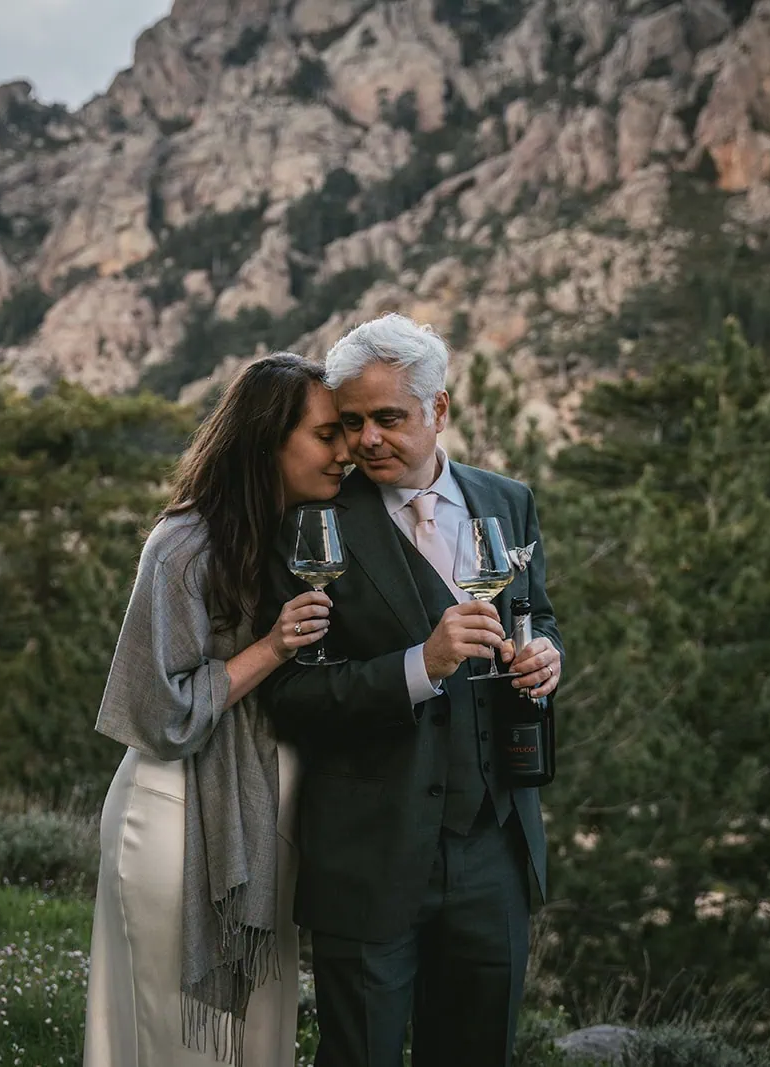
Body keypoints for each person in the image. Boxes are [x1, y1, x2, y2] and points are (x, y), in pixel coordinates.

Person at [256, 313, 563, 1067]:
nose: (366, 440)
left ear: (439, 410)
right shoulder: (314, 526)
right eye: (352, 421)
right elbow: (291, 692)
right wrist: (419, 664)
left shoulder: (507, 501)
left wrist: (548, 654)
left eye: (388, 418)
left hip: (495, 843)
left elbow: (540, 613)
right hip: (369, 851)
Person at [84, 353, 349, 1067]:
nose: (346, 450)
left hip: (262, 833)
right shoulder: (183, 547)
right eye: (327, 435)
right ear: (269, 440)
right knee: (174, 1039)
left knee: (259, 1043)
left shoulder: (295, 538)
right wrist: (272, 646)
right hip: (174, 820)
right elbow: (157, 711)